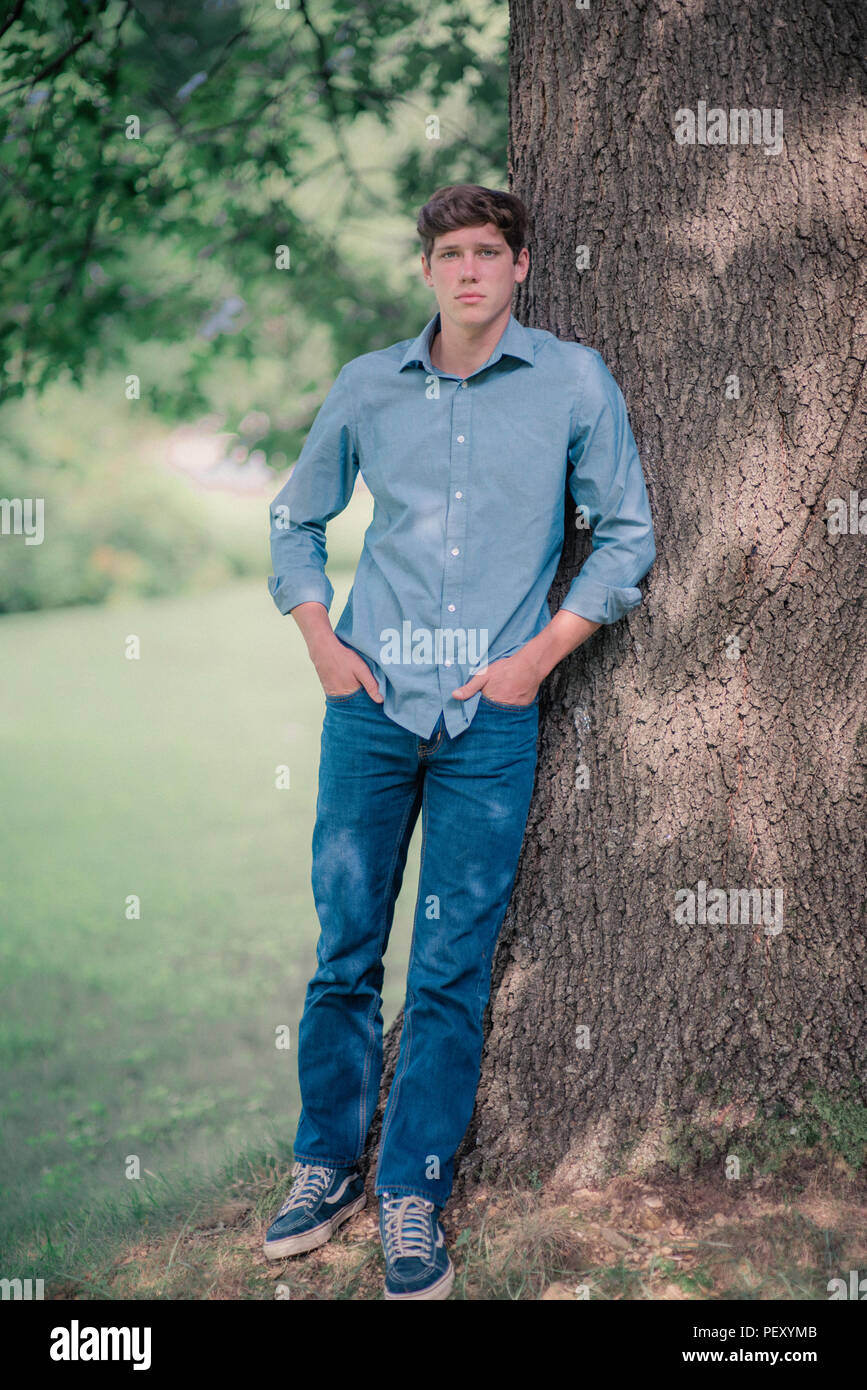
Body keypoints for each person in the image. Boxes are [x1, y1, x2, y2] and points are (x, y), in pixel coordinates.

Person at [262, 183, 656, 1300]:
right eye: (450, 253)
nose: (469, 270)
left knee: (447, 971)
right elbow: (296, 518)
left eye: (489, 251)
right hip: (371, 705)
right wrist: (322, 642)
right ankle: (323, 1165)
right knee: (346, 948)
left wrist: (540, 657)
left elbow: (626, 533)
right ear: (428, 269)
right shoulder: (368, 387)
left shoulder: (572, 382)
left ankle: (411, 1195)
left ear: (521, 265)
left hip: (491, 716)